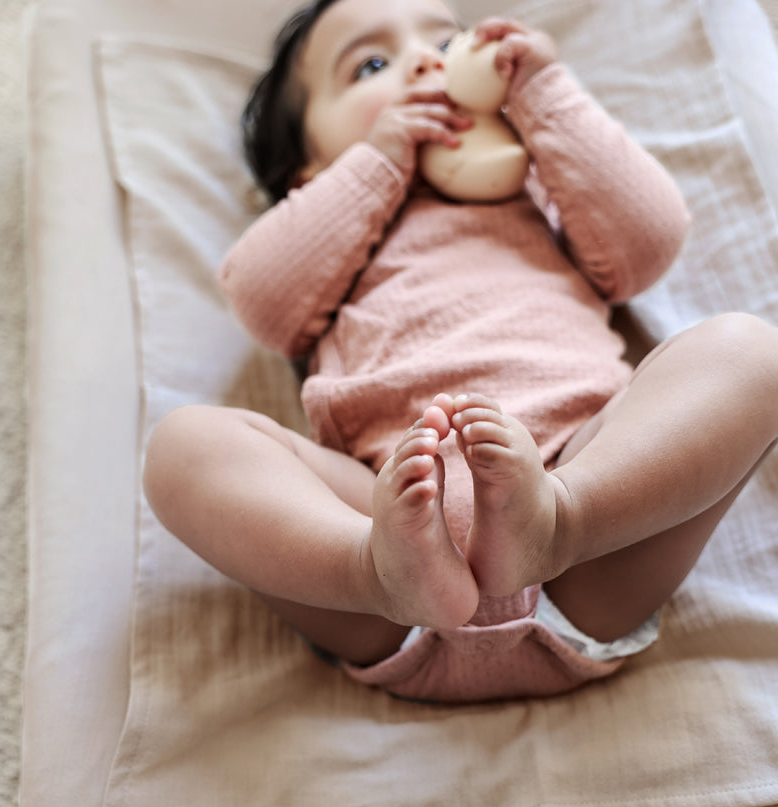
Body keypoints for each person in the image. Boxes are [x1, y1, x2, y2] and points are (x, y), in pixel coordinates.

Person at [143, 0, 778, 703]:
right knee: (184, 445)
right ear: (307, 167)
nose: (427, 62)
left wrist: (544, 94)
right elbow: (262, 298)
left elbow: (649, 242)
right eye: (372, 65)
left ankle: (559, 519)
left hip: (588, 532)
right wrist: (378, 162)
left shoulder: (541, 193)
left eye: (448, 41)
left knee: (750, 351)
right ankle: (370, 568)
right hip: (390, 565)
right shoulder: (331, 222)